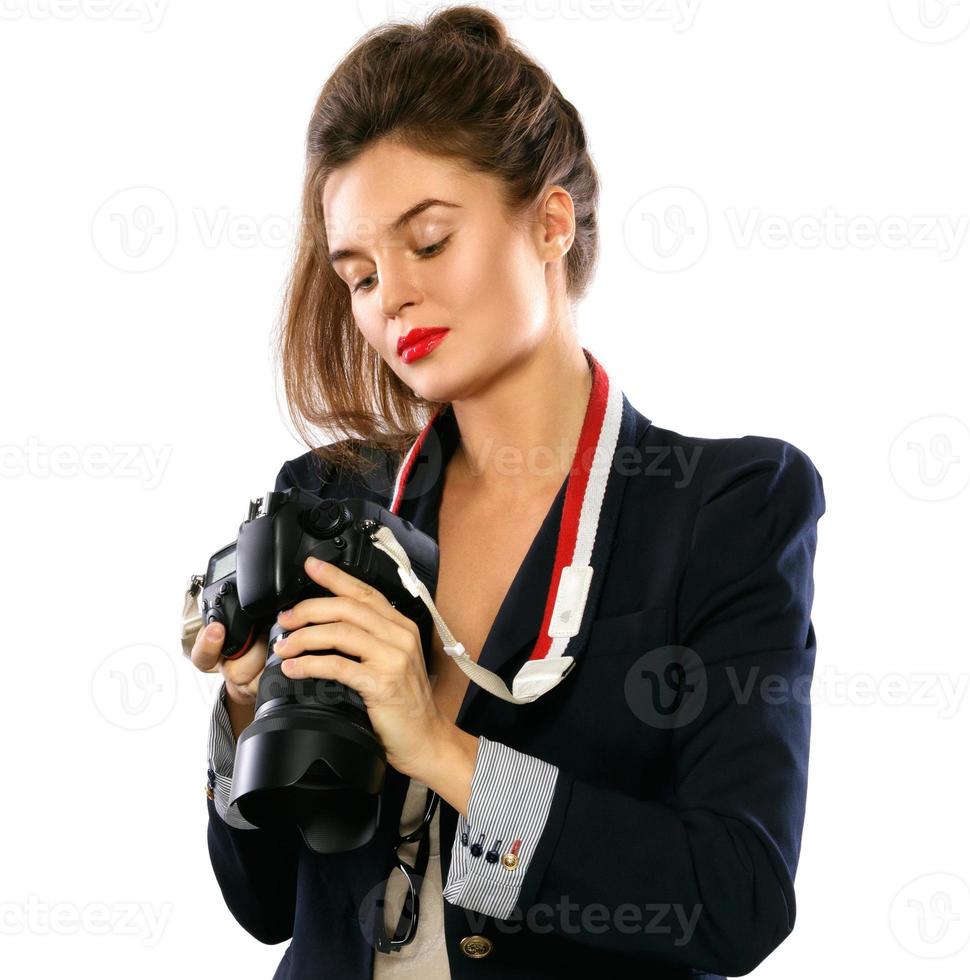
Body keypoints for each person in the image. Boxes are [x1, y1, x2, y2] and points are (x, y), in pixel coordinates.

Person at [186, 6, 826, 978]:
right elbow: (266, 903)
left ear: (548, 221)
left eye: (428, 241)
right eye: (357, 274)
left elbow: (732, 896)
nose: (387, 296)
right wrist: (245, 707)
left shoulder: (724, 506)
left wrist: (440, 749)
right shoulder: (327, 498)